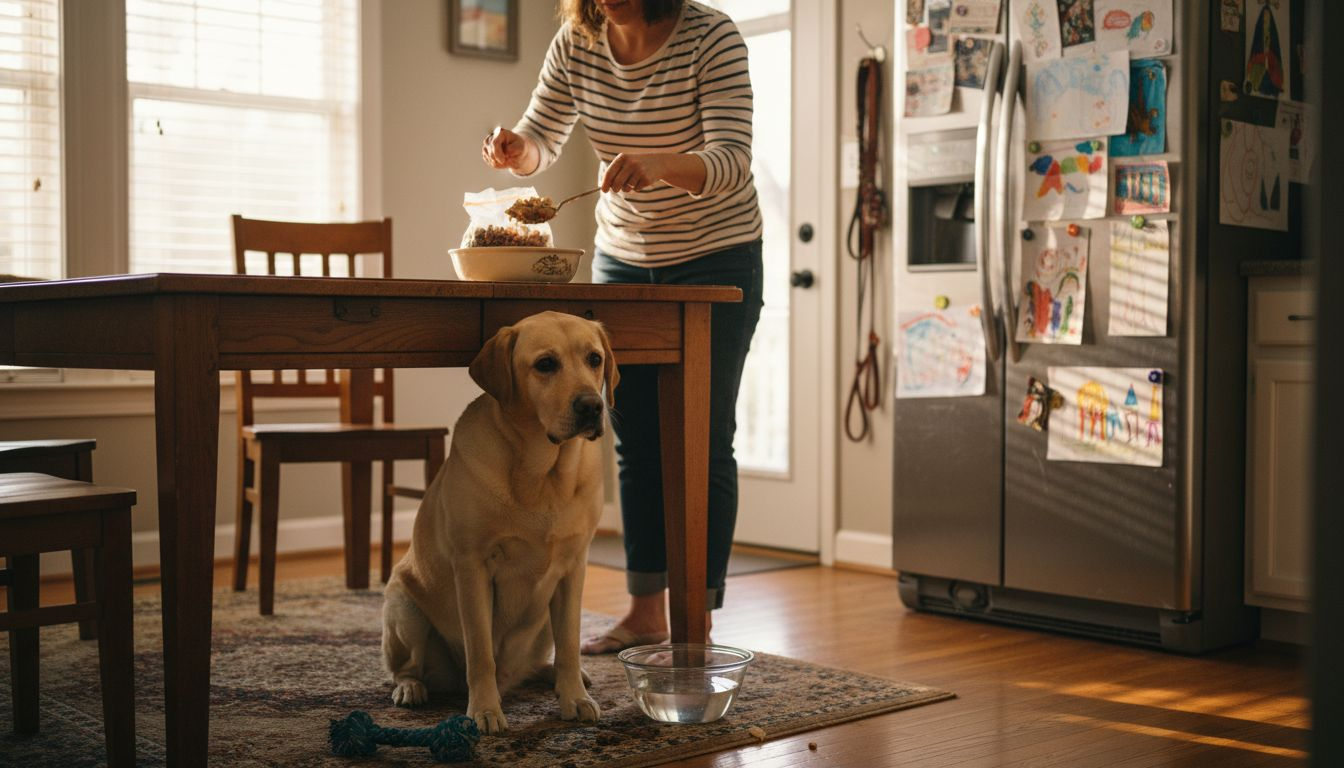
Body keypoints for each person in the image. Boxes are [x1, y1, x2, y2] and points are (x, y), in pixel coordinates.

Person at [481, 0, 763, 654]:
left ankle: (698, 615)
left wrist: (661, 161)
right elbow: (540, 141)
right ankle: (646, 611)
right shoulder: (578, 43)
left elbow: (732, 160)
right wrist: (516, 149)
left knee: (703, 435)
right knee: (632, 436)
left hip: (717, 254)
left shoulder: (709, 35)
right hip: (625, 261)